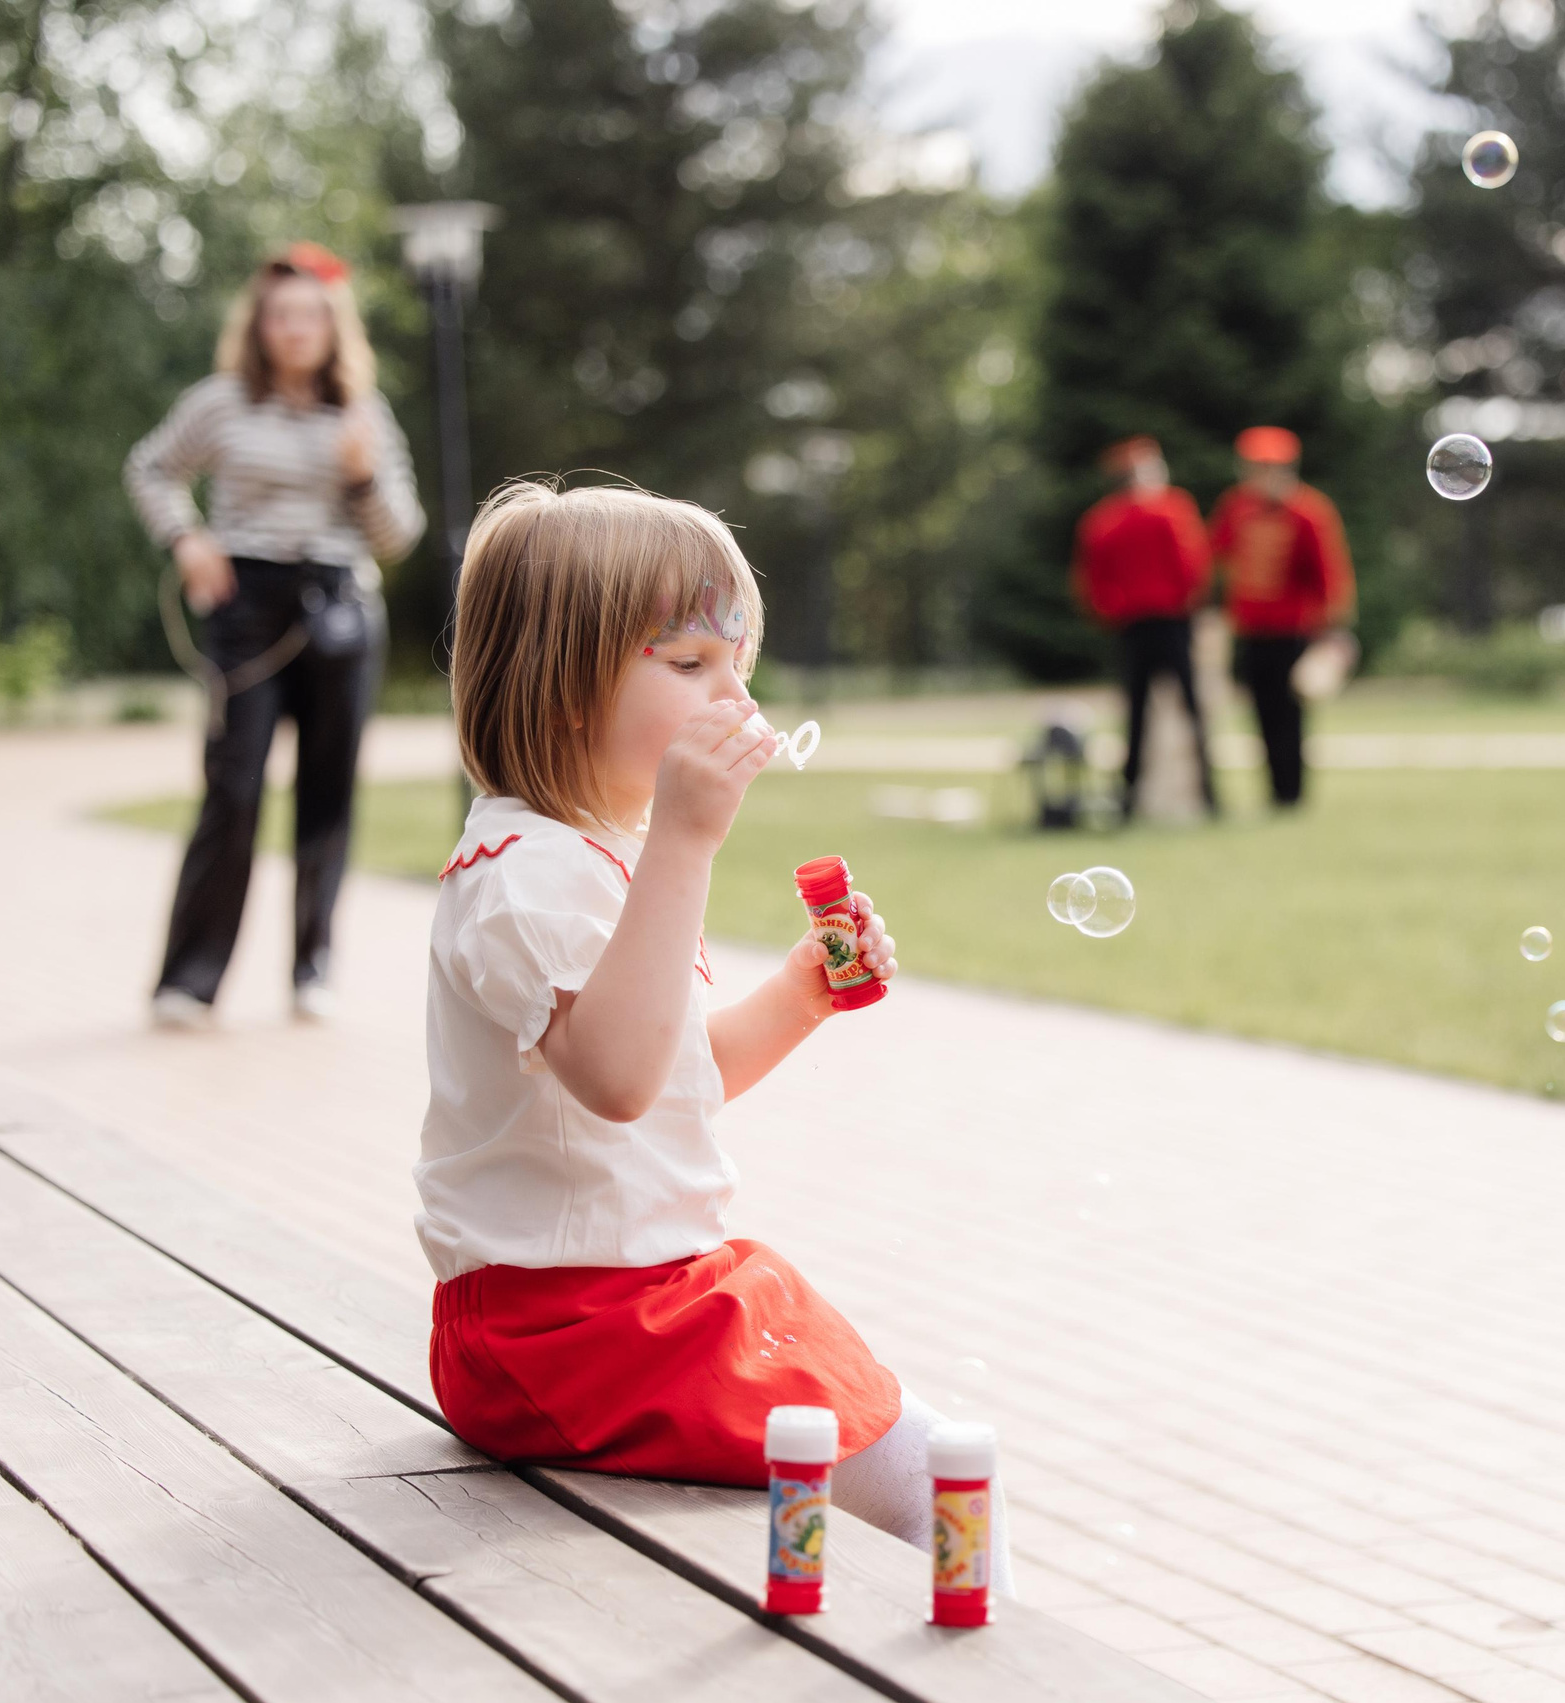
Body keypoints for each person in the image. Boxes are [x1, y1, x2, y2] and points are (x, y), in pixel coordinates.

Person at [415, 481, 1015, 1595]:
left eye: (735, 664)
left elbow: (677, 1081)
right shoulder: (528, 875)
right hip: (563, 1331)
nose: (729, 695)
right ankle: (981, 1659)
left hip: (623, 1308)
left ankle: (942, 1636)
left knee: (902, 1451)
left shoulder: (587, 857)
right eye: (686, 665)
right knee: (934, 1469)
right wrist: (685, 840)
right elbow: (618, 1081)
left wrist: (799, 995)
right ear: (559, 693)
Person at [125, 243, 424, 1028]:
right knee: (234, 787)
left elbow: (398, 536)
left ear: (334, 327)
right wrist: (187, 540)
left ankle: (312, 966)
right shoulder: (220, 403)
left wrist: (361, 476)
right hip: (246, 608)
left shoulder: (364, 414)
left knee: (329, 796)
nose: (295, 329)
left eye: (310, 316)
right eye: (280, 315)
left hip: (339, 606)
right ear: (259, 325)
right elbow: (151, 466)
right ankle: (189, 980)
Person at [1207, 426, 1355, 809]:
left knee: (1290, 716)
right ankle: (1273, 790)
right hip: (1252, 629)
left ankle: (1291, 793)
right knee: (1261, 712)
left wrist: (1332, 630)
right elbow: (1214, 553)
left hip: (1293, 630)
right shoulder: (1237, 507)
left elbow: (1329, 574)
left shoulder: (1308, 511)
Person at [1071, 435, 1216, 817]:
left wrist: (1112, 611)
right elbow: (1193, 565)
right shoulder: (1170, 509)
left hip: (1132, 626)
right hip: (1170, 621)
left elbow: (1090, 582)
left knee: (1135, 715)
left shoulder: (1101, 520)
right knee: (1190, 708)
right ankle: (1209, 794)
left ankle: (1130, 798)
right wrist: (1187, 604)